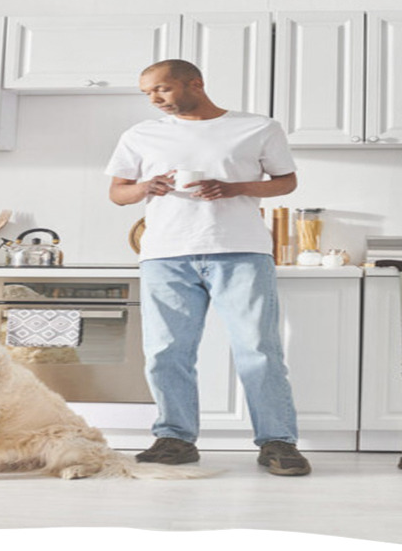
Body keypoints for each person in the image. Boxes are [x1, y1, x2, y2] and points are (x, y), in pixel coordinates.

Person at [105, 59, 311, 476]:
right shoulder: (141, 135)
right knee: (166, 353)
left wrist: (235, 188)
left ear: (194, 84)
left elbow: (286, 181)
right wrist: (147, 187)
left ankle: (277, 442)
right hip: (165, 254)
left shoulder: (258, 127)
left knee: (258, 350)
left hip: (240, 250)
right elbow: (118, 192)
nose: (154, 99)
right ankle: (175, 439)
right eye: (147, 93)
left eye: (161, 89)